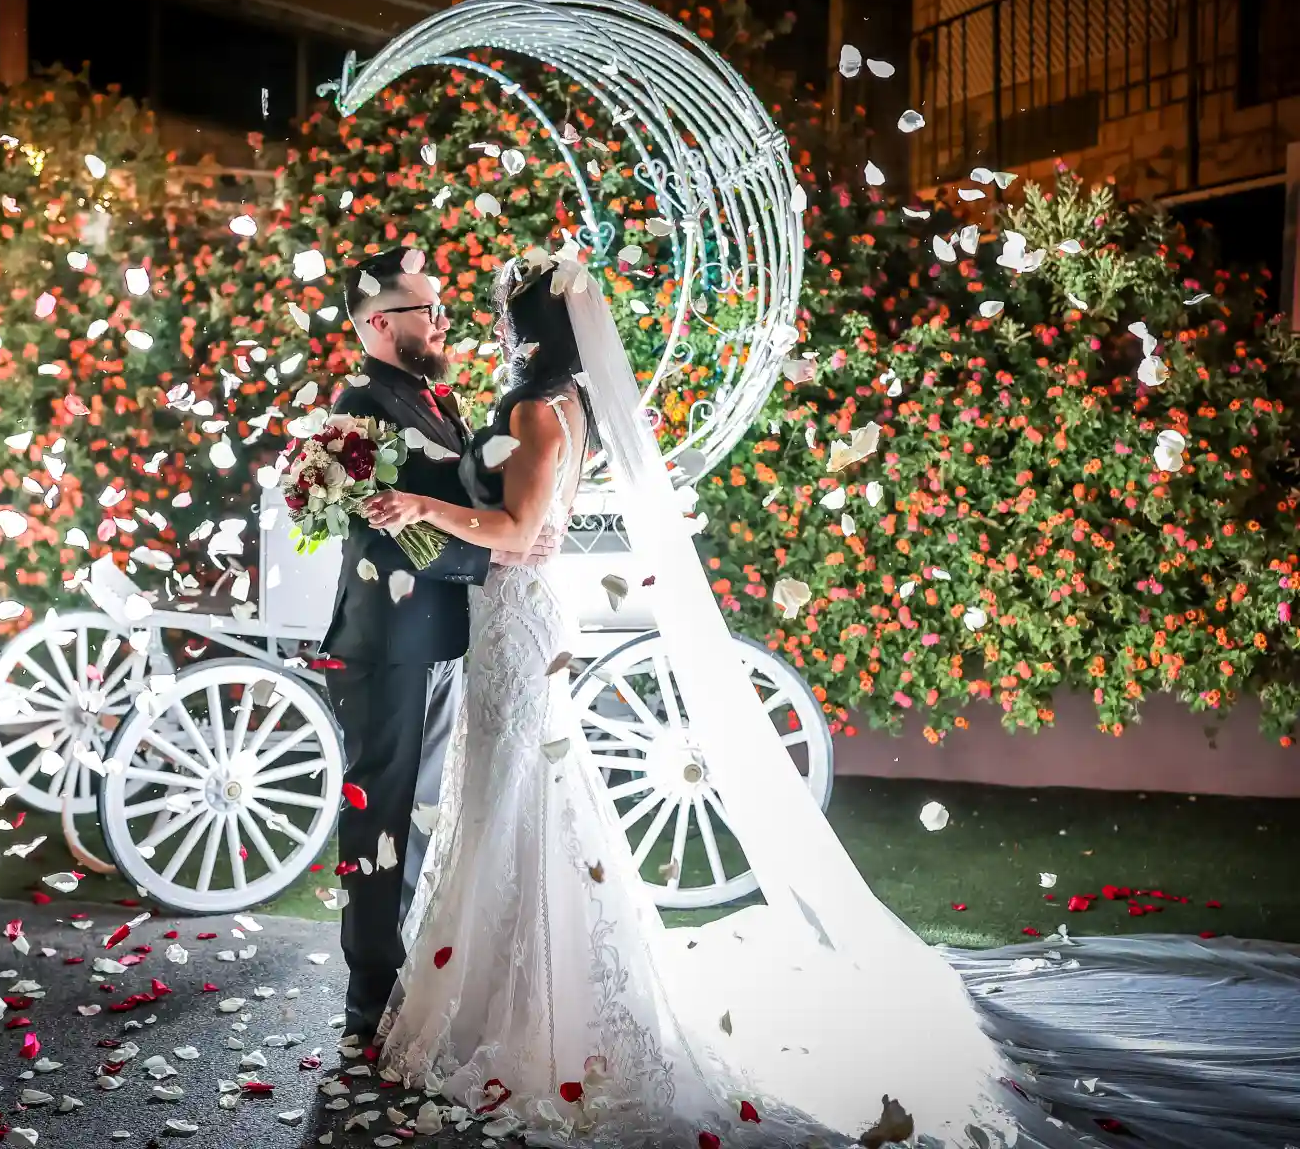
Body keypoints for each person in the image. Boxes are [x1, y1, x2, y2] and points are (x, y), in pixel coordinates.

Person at [354, 249, 1098, 1149]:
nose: (494, 327)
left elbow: (515, 532)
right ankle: (509, 992)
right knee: (513, 798)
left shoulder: (529, 408)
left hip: (516, 616)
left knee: (509, 799)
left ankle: (510, 1011)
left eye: (508, 313)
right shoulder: (571, 404)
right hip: (519, 619)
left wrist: (418, 506)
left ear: (532, 327)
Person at [320, 248, 559, 1048]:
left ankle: (401, 989)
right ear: (382, 324)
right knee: (380, 819)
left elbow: (445, 508)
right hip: (386, 644)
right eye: (428, 311)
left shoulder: (431, 397)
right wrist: (503, 553)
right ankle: (368, 1001)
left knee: (418, 817)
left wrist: (507, 539)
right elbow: (389, 539)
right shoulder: (359, 407)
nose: (443, 321)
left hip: (439, 638)